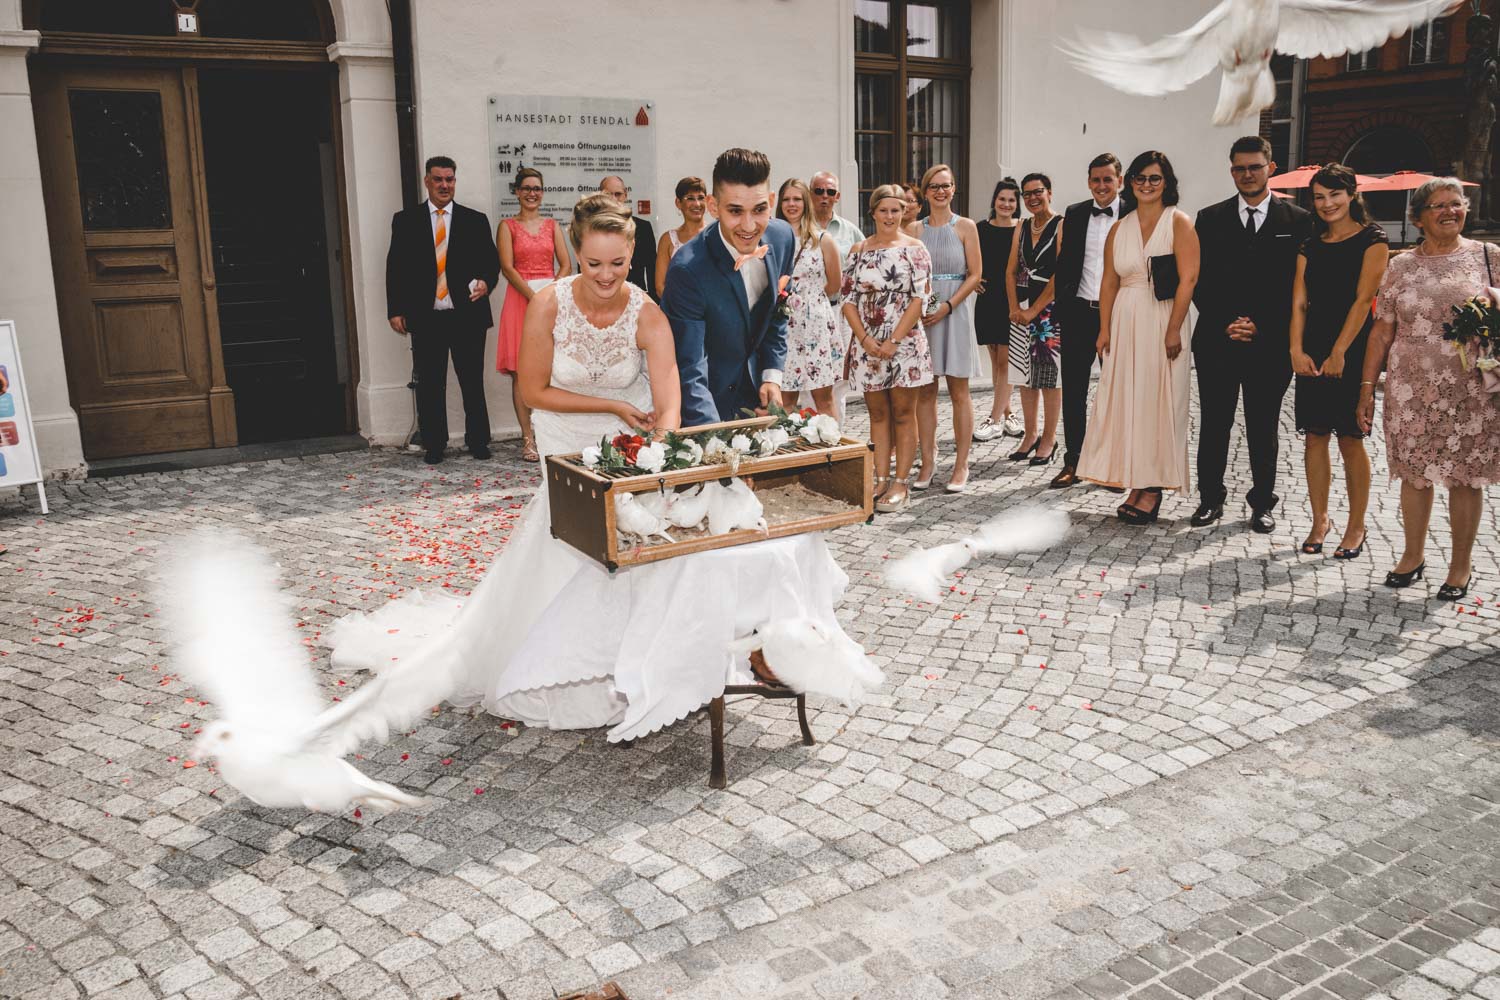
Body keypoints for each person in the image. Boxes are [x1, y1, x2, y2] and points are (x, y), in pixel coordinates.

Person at [333, 193, 687, 731]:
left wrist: (660, 447)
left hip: (623, 446)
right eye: (593, 264)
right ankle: (551, 662)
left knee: (627, 544)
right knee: (569, 543)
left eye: (617, 263)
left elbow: (668, 398)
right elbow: (533, 389)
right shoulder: (550, 304)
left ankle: (628, 665)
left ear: (632, 251)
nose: (606, 275)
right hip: (563, 435)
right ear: (576, 250)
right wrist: (614, 403)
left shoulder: (647, 313)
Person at [1359, 178, 1494, 600]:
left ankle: (1460, 567)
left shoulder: (1488, 257)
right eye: (1438, 206)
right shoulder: (1399, 266)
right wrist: (1366, 387)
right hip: (1409, 387)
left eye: (1456, 204)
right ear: (1418, 217)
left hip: (1470, 385)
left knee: (1465, 477)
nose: (1450, 211)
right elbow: (1382, 331)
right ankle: (1412, 555)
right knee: (1414, 474)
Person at [1190, 135, 1312, 532]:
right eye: (1239, 168)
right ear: (1231, 171)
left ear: (1270, 168)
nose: (1247, 174)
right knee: (1214, 424)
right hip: (1217, 339)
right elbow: (1199, 280)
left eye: (1254, 167)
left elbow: (1297, 286)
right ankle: (1210, 499)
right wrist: (1226, 320)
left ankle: (1263, 503)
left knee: (1263, 426)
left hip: (1270, 344)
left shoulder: (1298, 221)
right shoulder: (1208, 218)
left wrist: (1263, 324)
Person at [1077, 151, 1201, 523]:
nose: (1146, 185)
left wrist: (1174, 327)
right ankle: (1135, 480)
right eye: (1139, 178)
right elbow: (1110, 280)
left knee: (1160, 401)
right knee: (1129, 401)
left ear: (1167, 183)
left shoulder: (1179, 222)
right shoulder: (1120, 227)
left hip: (1163, 318)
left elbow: (1189, 279)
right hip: (1125, 319)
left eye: (1154, 178)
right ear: (1130, 183)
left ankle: (1152, 487)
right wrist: (1104, 329)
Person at [1289, 164, 1387, 559]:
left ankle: (1356, 525)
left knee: (1350, 437)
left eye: (1334, 194)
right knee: (1314, 435)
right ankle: (1319, 519)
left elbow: (1364, 301)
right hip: (1312, 344)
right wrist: (1295, 349)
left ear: (1351, 194)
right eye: (1318, 197)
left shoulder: (1372, 240)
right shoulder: (1309, 244)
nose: (1327, 204)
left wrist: (1340, 351)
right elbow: (1297, 301)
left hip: (1353, 345)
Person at [661, 148, 796, 427]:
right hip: (707, 405)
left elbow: (776, 315)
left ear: (771, 201)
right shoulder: (687, 270)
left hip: (759, 403)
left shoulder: (782, 238)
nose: (748, 226)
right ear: (713, 206)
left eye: (759, 210)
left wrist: (771, 375)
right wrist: (716, 441)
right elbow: (689, 369)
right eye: (735, 211)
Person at [385, 156, 499, 465]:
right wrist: (395, 309)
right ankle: (434, 444)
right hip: (426, 316)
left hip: (467, 316)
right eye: (438, 179)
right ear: (427, 181)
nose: (444, 185)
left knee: (472, 381)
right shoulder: (405, 220)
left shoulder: (475, 220)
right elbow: (395, 267)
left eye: (449, 179)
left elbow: (491, 263)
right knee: (431, 384)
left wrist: (486, 283)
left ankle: (479, 441)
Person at [843, 184, 934, 513]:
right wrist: (867, 341)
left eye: (896, 210)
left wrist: (893, 339)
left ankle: (901, 483)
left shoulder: (916, 249)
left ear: (904, 212)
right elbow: (848, 300)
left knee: (902, 414)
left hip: (905, 343)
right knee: (877, 414)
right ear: (873, 213)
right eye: (884, 210)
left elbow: (920, 299)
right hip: (868, 346)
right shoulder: (859, 250)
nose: (890, 216)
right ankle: (881, 478)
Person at [1047, 153, 1124, 488]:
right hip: (1079, 312)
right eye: (1096, 179)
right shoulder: (1076, 213)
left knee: (1118, 392)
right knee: (1074, 393)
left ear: (1120, 181)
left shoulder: (1136, 212)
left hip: (1120, 315)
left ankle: (1117, 467)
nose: (1102, 185)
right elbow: (1064, 262)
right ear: (1089, 181)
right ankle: (1073, 462)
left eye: (1108, 179)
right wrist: (1062, 304)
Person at [908, 165, 983, 492]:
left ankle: (962, 464)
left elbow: (975, 275)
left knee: (958, 391)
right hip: (923, 316)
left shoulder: (965, 227)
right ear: (925, 192)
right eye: (934, 186)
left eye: (947, 186)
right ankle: (927, 461)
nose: (941, 191)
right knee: (925, 392)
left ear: (954, 190)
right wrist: (923, 306)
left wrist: (948, 306)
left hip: (955, 312)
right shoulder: (913, 230)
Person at [497, 167, 572, 462]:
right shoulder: (507, 226)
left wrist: (551, 292)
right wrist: (532, 296)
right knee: (521, 371)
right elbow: (507, 266)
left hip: (550, 298)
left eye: (537, 188)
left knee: (553, 369)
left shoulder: (552, 225)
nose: (532, 193)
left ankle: (552, 434)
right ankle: (528, 439)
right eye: (526, 188)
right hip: (520, 299)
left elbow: (565, 264)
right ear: (517, 192)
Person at [1006, 173, 1063, 468]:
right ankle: (1029, 435)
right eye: (1026, 194)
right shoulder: (1022, 226)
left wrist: (1033, 311)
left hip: (1049, 311)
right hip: (1022, 306)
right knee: (1024, 378)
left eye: (1037, 192)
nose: (1032, 198)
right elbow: (1011, 270)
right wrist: (1016, 307)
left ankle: (1049, 439)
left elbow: (1059, 276)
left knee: (1049, 378)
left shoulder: (1061, 224)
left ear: (1049, 193)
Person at [776, 178, 842, 414]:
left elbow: (835, 283)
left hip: (815, 325)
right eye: (786, 199)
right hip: (782, 327)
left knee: (823, 398)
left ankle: (831, 448)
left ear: (806, 202)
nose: (791, 204)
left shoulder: (822, 239)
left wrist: (808, 300)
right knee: (784, 401)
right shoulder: (770, 239)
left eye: (796, 199)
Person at [973, 178, 1026, 442]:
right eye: (1002, 198)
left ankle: (993, 419)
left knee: (1006, 361)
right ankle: (1009, 413)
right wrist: (973, 282)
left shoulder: (1022, 229)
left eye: (1011, 200)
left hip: (1012, 299)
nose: (1006, 204)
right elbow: (968, 260)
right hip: (988, 299)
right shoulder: (980, 228)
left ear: (1017, 204)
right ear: (994, 200)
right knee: (996, 360)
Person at [601, 174, 658, 300]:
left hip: (635, 297)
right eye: (608, 194)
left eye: (618, 194)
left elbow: (652, 267)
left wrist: (653, 301)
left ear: (625, 195)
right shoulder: (592, 228)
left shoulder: (643, 228)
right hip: (602, 297)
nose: (613, 199)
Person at [655, 176, 708, 296]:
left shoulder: (716, 234)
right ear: (678, 203)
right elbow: (660, 286)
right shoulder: (668, 240)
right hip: (677, 311)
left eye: (701, 198)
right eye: (690, 198)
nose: (697, 204)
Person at [810, 171, 866, 261]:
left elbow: (866, 260)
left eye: (830, 192)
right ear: (810, 194)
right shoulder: (800, 227)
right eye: (819, 191)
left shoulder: (850, 231)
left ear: (837, 197)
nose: (825, 196)